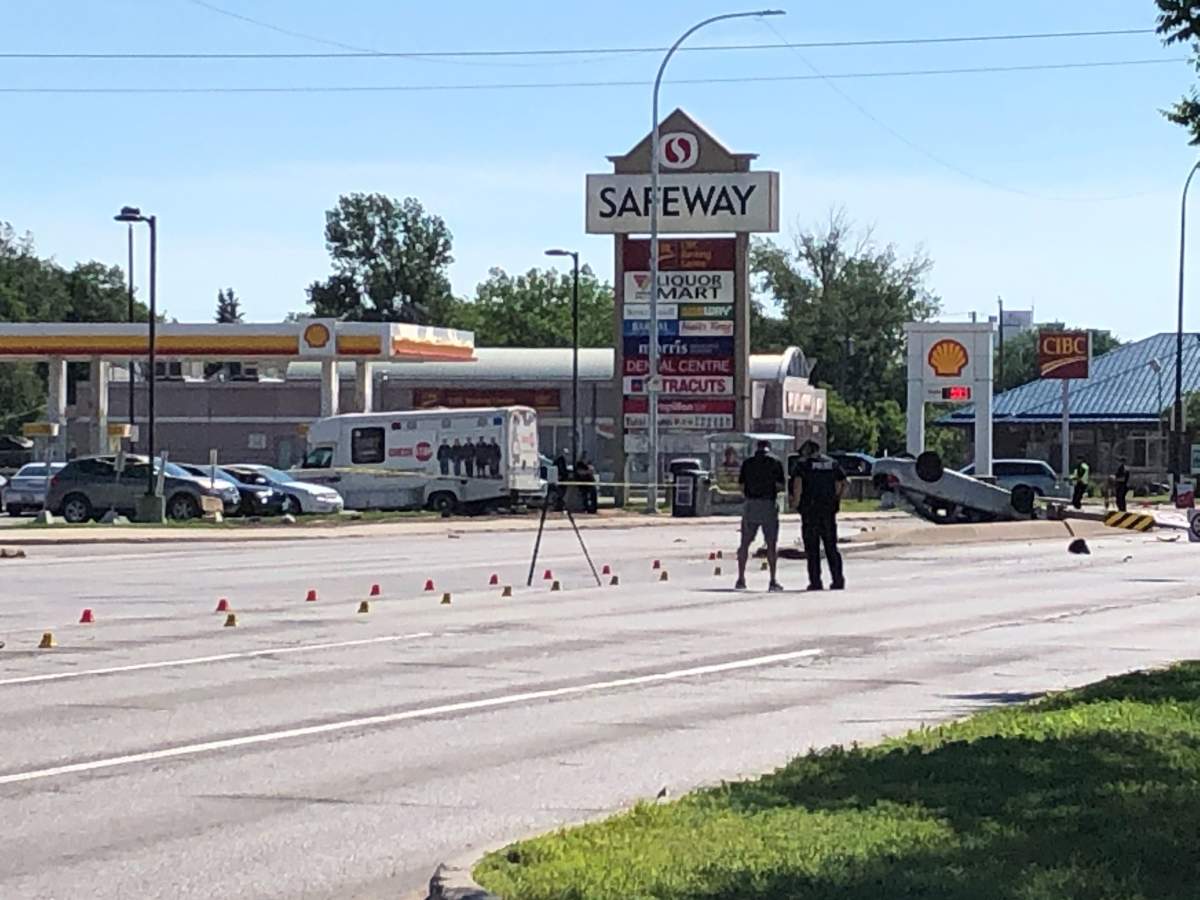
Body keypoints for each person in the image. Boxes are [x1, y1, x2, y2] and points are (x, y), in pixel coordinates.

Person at [792, 439, 847, 592]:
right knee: (831, 547)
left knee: (812, 549)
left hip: (810, 511)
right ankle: (838, 580)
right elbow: (843, 483)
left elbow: (798, 485)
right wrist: (836, 498)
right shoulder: (832, 463)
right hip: (828, 511)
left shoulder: (803, 465)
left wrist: (796, 503)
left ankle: (815, 582)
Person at [735, 440, 786, 592]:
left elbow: (741, 486)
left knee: (745, 542)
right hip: (768, 504)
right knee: (771, 544)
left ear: (756, 448)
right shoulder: (775, 462)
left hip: (751, 504)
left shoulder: (748, 463)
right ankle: (772, 580)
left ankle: (741, 578)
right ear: (769, 448)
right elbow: (780, 486)